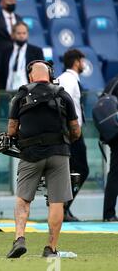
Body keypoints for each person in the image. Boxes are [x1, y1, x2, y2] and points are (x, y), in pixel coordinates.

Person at [6, 61, 81, 258]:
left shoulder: (21, 96)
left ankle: (20, 239)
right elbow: (76, 129)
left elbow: (11, 129)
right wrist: (67, 142)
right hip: (59, 154)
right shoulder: (63, 94)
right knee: (57, 202)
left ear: (30, 76)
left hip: (31, 154)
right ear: (49, 74)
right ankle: (51, 248)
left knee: (23, 199)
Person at [57, 49, 89, 222]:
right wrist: (71, 130)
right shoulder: (69, 80)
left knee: (72, 171)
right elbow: (64, 105)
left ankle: (63, 207)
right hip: (71, 133)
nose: (83, 64)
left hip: (70, 131)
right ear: (76, 61)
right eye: (82, 60)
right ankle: (62, 206)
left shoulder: (67, 79)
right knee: (80, 170)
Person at [0, 22, 44, 91]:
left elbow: (41, 75)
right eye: (19, 33)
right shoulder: (6, 52)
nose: (21, 36)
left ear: (27, 34)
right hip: (8, 93)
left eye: (24, 33)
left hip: (29, 93)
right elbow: (2, 76)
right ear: (13, 34)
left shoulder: (36, 52)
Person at [102, 75, 118, 222]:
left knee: (115, 174)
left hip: (114, 133)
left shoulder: (113, 81)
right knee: (115, 174)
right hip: (116, 134)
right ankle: (108, 213)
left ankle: (109, 213)